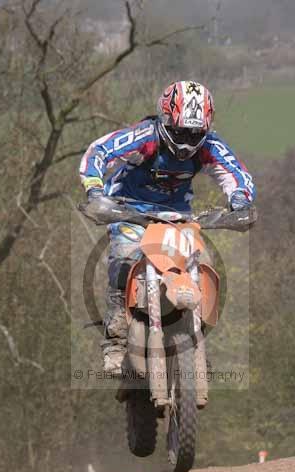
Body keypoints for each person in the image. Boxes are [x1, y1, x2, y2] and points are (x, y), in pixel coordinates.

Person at [79, 80, 256, 374]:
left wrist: (239, 200)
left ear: (205, 129)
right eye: (180, 132)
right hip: (130, 208)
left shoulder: (209, 146)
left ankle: (195, 343)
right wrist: (95, 190)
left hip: (177, 214)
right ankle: (116, 341)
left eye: (194, 134)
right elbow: (100, 151)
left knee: (201, 263)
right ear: (165, 120)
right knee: (124, 257)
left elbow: (235, 173)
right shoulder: (145, 137)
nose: (186, 142)